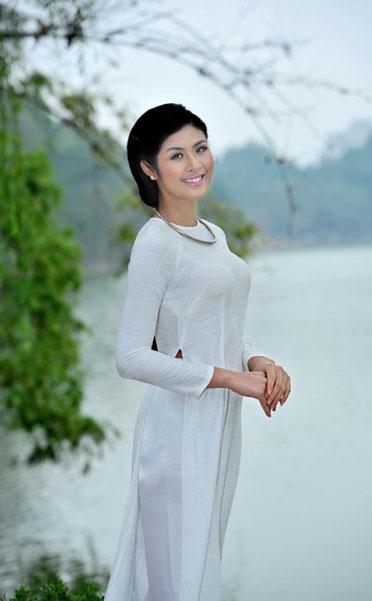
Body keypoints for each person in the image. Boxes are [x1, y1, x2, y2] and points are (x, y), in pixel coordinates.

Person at [104, 102, 291, 601]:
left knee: (199, 567)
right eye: (177, 155)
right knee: (180, 579)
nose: (195, 164)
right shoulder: (156, 243)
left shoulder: (213, 235)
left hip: (217, 426)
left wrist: (258, 362)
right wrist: (231, 379)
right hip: (177, 430)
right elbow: (130, 356)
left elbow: (213, 332)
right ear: (149, 169)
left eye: (201, 148)